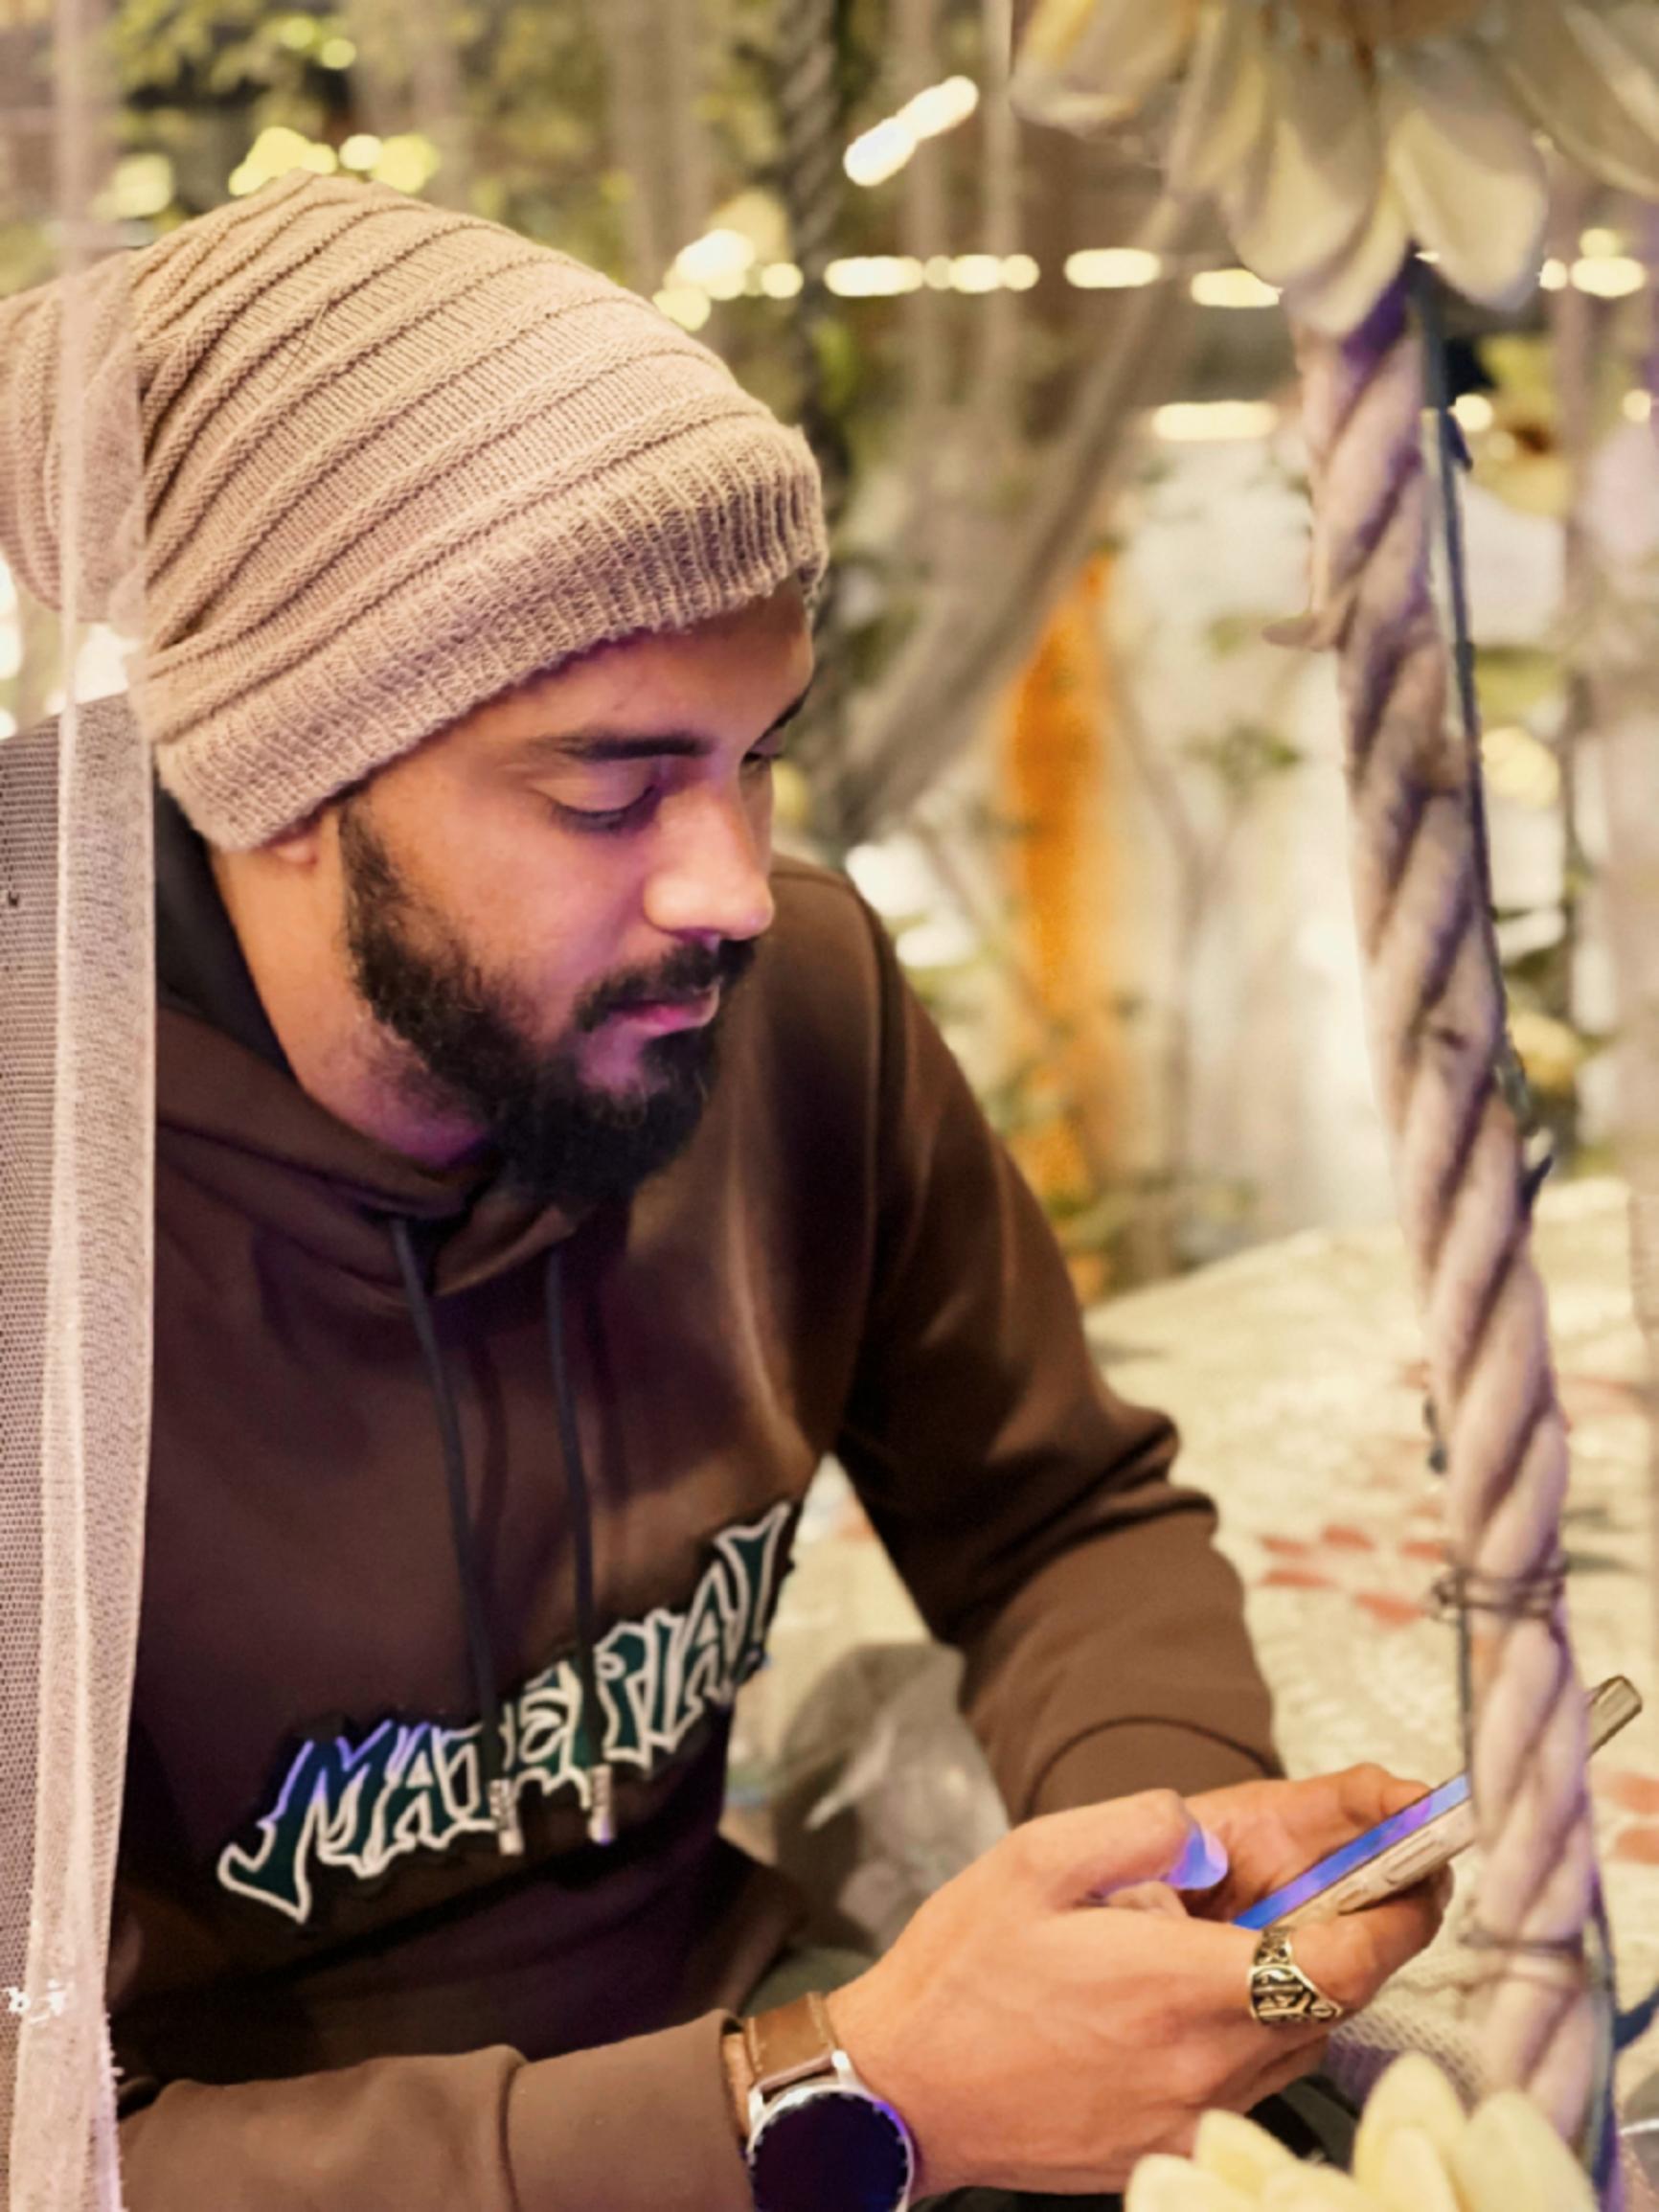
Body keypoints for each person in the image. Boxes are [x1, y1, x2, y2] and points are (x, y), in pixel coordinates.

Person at [0, 172, 1442, 2211]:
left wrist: (1168, 1862)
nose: (734, 887)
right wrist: (839, 2093)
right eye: (611, 789)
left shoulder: (790, 1007)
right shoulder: (42, 1219)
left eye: (757, 754)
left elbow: (1053, 1513)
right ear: (281, 784)